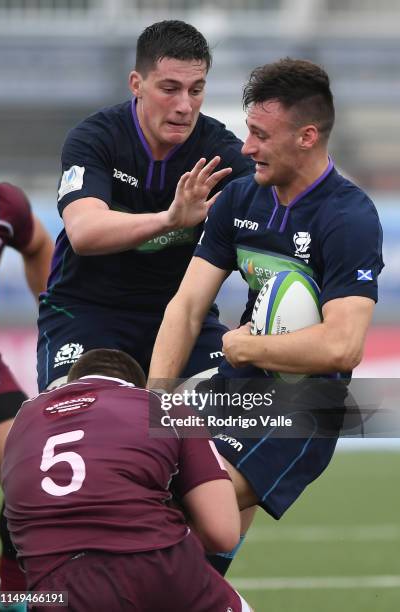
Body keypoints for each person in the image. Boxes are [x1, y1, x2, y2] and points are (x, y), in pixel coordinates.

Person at [148, 58, 384, 572]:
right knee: (169, 510)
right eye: (246, 130)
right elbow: (186, 307)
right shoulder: (239, 198)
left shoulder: (349, 218)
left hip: (298, 409)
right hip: (231, 387)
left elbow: (344, 345)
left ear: (306, 136)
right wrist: (155, 403)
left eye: (260, 134)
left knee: (170, 504)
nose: (246, 146)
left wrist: (245, 346)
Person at [36, 19, 254, 392]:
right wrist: (170, 220)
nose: (185, 106)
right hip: (88, 313)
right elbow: (84, 233)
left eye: (196, 90)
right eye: (170, 89)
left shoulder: (224, 155)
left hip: (184, 317)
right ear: (137, 84)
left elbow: (269, 228)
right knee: (90, 424)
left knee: (233, 415)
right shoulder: (95, 139)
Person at [1, 349, 253, 612]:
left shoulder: (22, 421)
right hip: (154, 562)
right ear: (137, 386)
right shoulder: (161, 405)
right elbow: (222, 534)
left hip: (54, 592)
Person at [0, 182, 53, 611]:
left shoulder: (3, 203)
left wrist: (56, 315)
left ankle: (13, 601)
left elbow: (38, 244)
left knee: (34, 480)